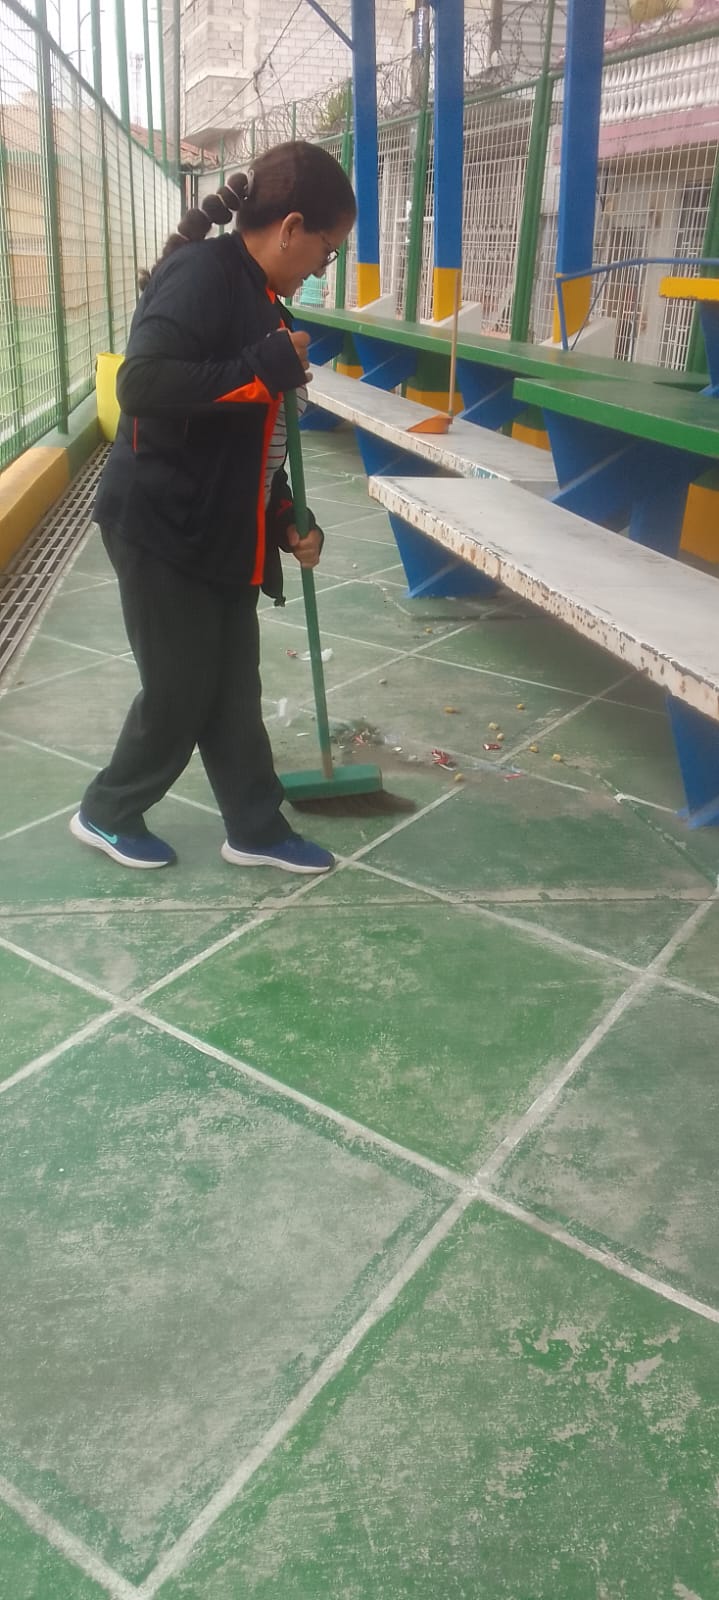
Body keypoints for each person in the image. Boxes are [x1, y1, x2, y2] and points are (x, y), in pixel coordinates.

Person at [70, 142, 356, 876]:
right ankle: (106, 810)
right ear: (291, 227)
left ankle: (255, 827)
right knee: (179, 689)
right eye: (327, 250)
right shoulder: (201, 275)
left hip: (222, 526)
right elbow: (142, 385)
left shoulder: (264, 301)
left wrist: (285, 516)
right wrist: (262, 369)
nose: (323, 268)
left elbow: (249, 439)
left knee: (231, 688)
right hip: (161, 523)